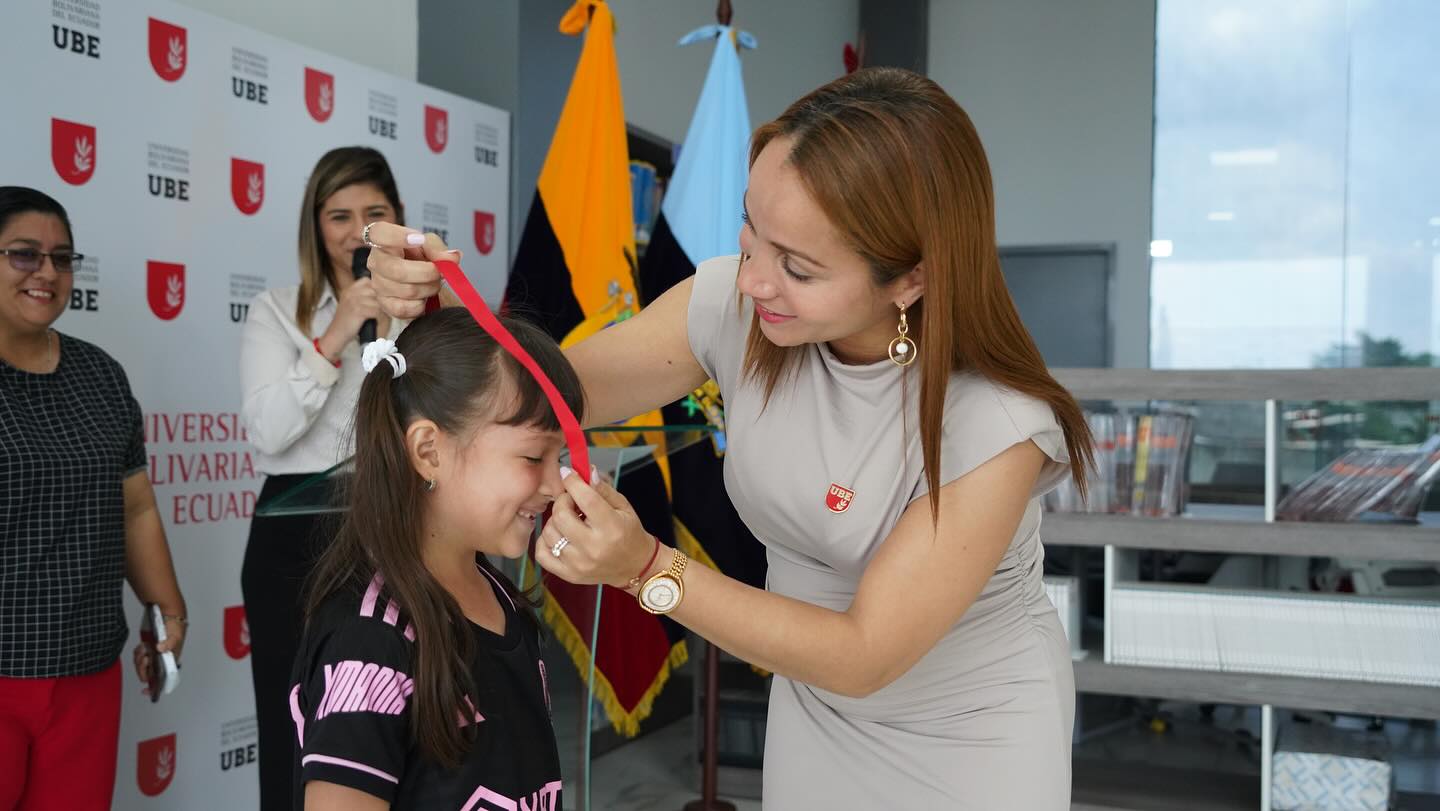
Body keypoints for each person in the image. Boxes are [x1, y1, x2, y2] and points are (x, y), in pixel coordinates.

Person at [367, 67, 1097, 808]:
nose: (753, 281)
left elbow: (865, 651)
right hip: (813, 707)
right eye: (752, 231)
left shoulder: (995, 421)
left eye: (798, 267)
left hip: (967, 735)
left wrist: (646, 566)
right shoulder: (736, 307)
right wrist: (434, 314)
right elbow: (552, 397)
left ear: (910, 278)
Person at [290, 308, 569, 810]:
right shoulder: (369, 641)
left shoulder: (504, 601)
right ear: (428, 451)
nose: (554, 485)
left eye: (560, 458)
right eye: (533, 457)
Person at [0, 186, 188, 809]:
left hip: (86, 670)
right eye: (24, 255)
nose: (47, 273)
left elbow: (134, 506)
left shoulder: (100, 374)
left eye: (63, 258)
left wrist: (167, 609)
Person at [239, 146, 409, 809]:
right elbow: (268, 431)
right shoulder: (275, 310)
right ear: (315, 225)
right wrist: (336, 332)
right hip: (296, 534)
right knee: (298, 727)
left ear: (397, 219)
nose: (356, 230)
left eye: (375, 212)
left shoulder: (426, 312)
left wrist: (405, 320)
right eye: (339, 215)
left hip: (398, 525)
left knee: (399, 715)